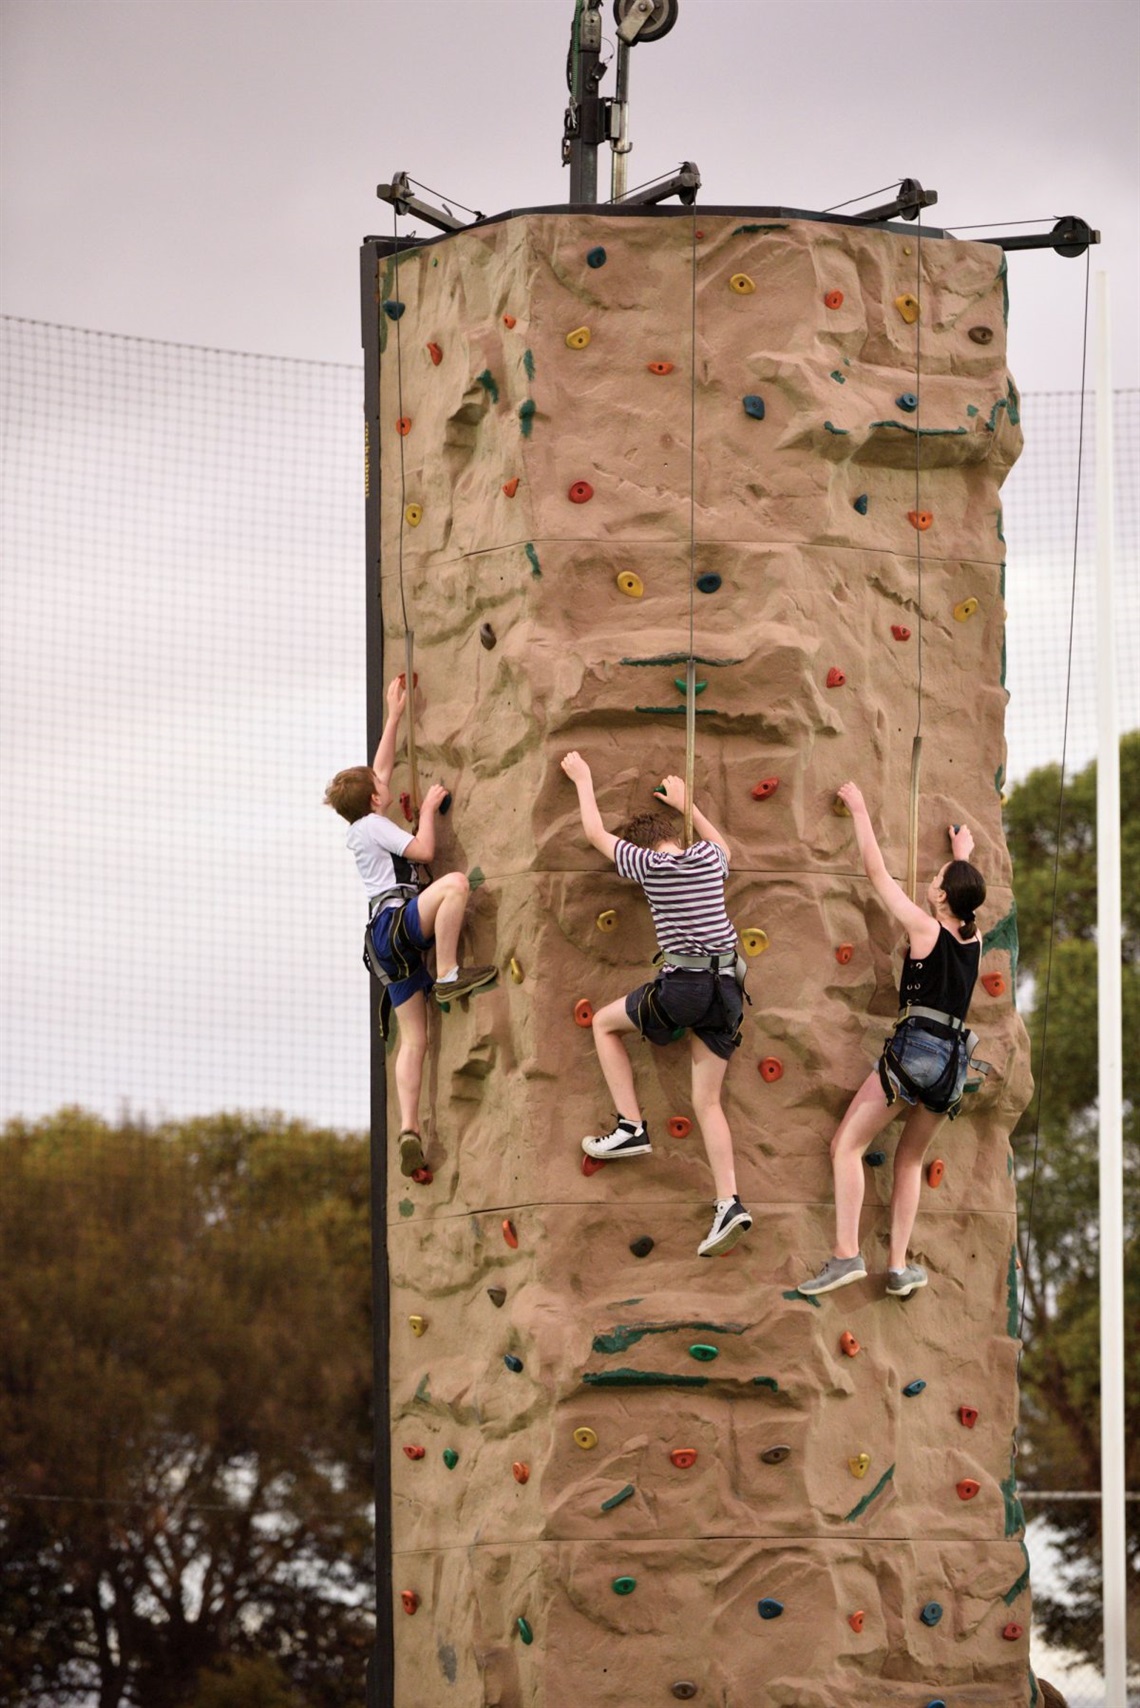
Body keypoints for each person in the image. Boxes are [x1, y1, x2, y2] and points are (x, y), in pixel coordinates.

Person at [798, 781, 987, 1298]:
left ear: (943, 897)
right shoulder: (973, 939)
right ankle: (899, 1268)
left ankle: (845, 1255)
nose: (930, 881)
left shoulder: (926, 929)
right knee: (909, 1159)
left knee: (846, 1147)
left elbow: (877, 873)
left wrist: (859, 809)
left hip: (916, 1051)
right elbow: (970, 902)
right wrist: (961, 858)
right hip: (954, 1065)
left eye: (937, 879)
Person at [561, 752, 752, 1257]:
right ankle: (728, 1201)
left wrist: (583, 778)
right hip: (729, 992)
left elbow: (596, 835)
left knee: (603, 1024)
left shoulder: (651, 865)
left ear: (643, 847)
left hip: (685, 987)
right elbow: (724, 844)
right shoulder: (709, 858)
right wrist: (690, 804)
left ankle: (630, 1127)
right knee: (707, 1102)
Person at [324, 676, 495, 1175]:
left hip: (380, 945)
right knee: (456, 885)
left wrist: (394, 714)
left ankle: (409, 1127)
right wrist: (426, 813)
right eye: (380, 788)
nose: (385, 781)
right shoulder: (376, 824)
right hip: (396, 921)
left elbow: (378, 769)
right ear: (375, 801)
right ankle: (446, 975)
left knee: (414, 1039)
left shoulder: (360, 824)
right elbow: (423, 852)